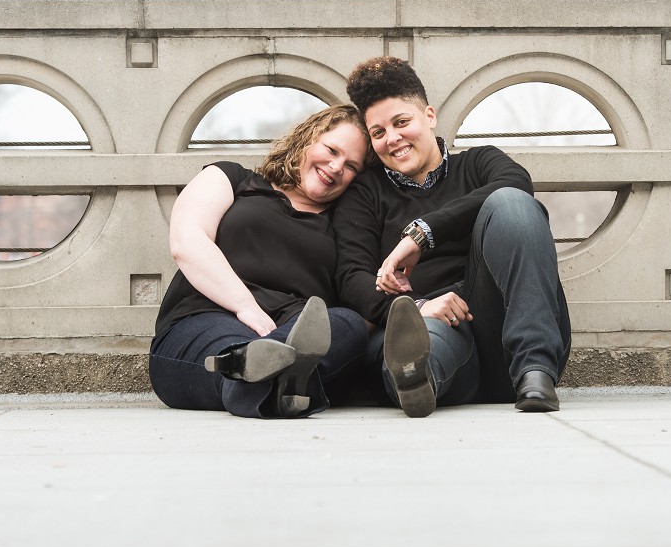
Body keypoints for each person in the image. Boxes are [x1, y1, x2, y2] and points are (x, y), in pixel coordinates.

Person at [334, 57, 573, 416]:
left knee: (510, 202)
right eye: (378, 132)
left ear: (429, 116)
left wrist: (424, 233)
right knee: (418, 344)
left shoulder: (479, 164)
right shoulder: (364, 193)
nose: (392, 139)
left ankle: (536, 371)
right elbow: (351, 276)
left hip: (503, 328)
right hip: (433, 326)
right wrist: (417, 308)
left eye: (402, 122)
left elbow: (517, 183)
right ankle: (414, 379)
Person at [149, 104, 373, 419]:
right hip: (206, 319)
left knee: (347, 323)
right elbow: (187, 241)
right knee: (238, 350)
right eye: (332, 150)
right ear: (306, 140)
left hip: (295, 328)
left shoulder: (346, 225)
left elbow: (361, 286)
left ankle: (264, 377)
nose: (336, 167)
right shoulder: (233, 179)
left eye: (351, 165)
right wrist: (246, 307)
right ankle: (267, 372)